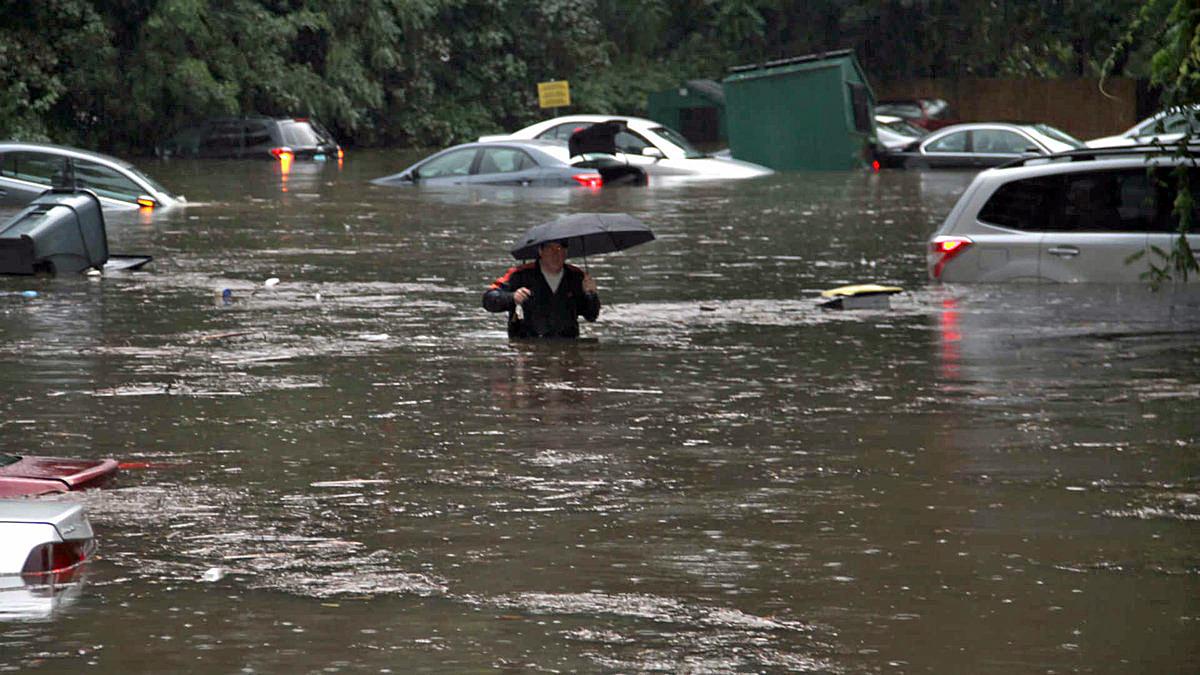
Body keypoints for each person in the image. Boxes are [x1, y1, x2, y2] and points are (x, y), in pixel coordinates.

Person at [482, 240, 600, 338]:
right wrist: (512, 297)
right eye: (551, 249)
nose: (556, 254)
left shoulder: (576, 276)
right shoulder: (520, 274)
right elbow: (489, 299)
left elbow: (591, 315)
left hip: (566, 345)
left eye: (560, 249)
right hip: (526, 345)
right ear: (540, 251)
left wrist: (591, 294)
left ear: (566, 252)